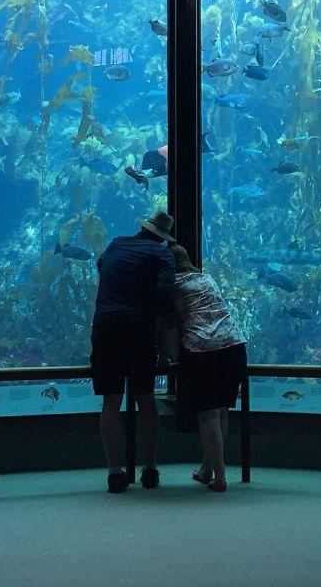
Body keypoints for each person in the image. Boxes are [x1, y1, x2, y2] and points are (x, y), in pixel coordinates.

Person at [90, 210, 175, 493]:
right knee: (146, 399)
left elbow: (102, 266)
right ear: (162, 238)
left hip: (105, 326)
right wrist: (164, 342)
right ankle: (150, 468)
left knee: (110, 402)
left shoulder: (116, 243)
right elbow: (164, 294)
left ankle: (114, 472)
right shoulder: (162, 255)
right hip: (138, 327)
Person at [168, 244, 247, 493]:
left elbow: (169, 325)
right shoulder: (206, 278)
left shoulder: (173, 286)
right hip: (234, 345)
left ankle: (220, 477)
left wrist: (170, 355)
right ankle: (207, 470)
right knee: (221, 411)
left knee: (207, 415)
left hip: (203, 350)